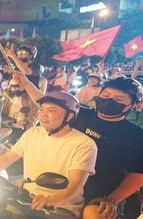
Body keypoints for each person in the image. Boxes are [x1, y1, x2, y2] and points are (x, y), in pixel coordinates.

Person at [19, 75, 143, 219]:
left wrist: (112, 199)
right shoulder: (81, 115)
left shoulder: (136, 136)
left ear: (132, 105)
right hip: (62, 186)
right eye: (106, 95)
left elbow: (138, 173)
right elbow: (51, 104)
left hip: (99, 196)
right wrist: (25, 83)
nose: (109, 101)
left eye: (119, 100)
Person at [0, 90, 97, 217]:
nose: (43, 115)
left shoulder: (83, 143)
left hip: (60, 207)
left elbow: (76, 182)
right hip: (25, 199)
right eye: (41, 109)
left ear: (70, 116)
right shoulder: (33, 133)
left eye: (51, 110)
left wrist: (53, 200)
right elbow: (7, 158)